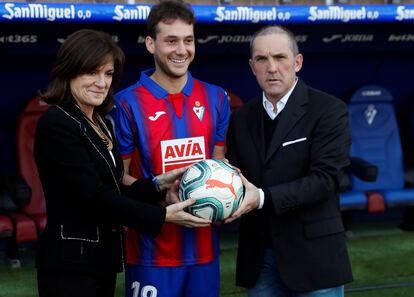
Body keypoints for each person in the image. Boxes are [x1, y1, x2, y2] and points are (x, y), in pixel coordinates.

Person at [34, 29, 210, 297]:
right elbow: (94, 196)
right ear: (69, 72)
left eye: (108, 74)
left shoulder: (101, 122)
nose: (101, 83)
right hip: (69, 266)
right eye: (91, 72)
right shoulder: (56, 122)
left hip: (101, 261)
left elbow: (113, 187)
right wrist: (162, 216)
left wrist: (158, 185)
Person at [111, 1, 230, 296]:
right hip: (150, 252)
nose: (181, 50)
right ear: (151, 44)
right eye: (171, 41)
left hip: (204, 250)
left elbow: (219, 163)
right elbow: (119, 178)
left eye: (188, 40)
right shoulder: (127, 103)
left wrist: (229, 189)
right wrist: (160, 193)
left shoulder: (216, 98)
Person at [225, 25, 353, 297]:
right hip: (259, 258)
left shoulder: (329, 110)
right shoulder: (240, 118)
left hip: (314, 258)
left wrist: (261, 198)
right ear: (252, 66)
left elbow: (325, 181)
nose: (272, 67)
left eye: (280, 58)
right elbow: (235, 178)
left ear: (297, 62)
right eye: (262, 59)